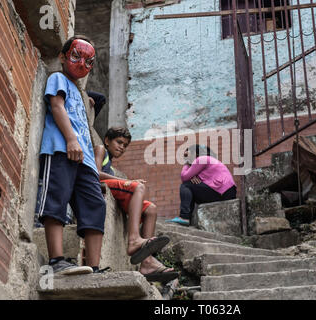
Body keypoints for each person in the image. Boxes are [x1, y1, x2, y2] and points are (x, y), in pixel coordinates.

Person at [36, 35, 107, 275]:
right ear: (62, 56)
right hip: (61, 149)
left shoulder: (80, 93)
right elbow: (57, 107)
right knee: (56, 198)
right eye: (76, 56)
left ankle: (94, 267)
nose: (82, 64)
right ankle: (56, 260)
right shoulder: (58, 79)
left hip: (85, 160)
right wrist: (70, 139)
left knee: (96, 204)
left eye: (89, 61)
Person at [94, 127, 178, 282]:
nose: (122, 147)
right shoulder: (100, 150)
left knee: (151, 209)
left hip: (112, 188)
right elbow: (95, 173)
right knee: (138, 186)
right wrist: (128, 182)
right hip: (99, 185)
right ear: (107, 141)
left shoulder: (111, 168)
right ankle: (134, 239)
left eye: (125, 145)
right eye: (119, 142)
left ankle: (146, 262)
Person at [166, 145, 237, 226]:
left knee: (185, 185)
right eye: (184, 156)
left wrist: (186, 165)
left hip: (223, 192)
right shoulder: (205, 162)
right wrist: (192, 177)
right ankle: (187, 218)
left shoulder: (201, 159)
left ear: (195, 153)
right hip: (225, 192)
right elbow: (193, 179)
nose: (185, 158)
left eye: (186, 155)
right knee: (190, 186)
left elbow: (184, 177)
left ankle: (184, 217)